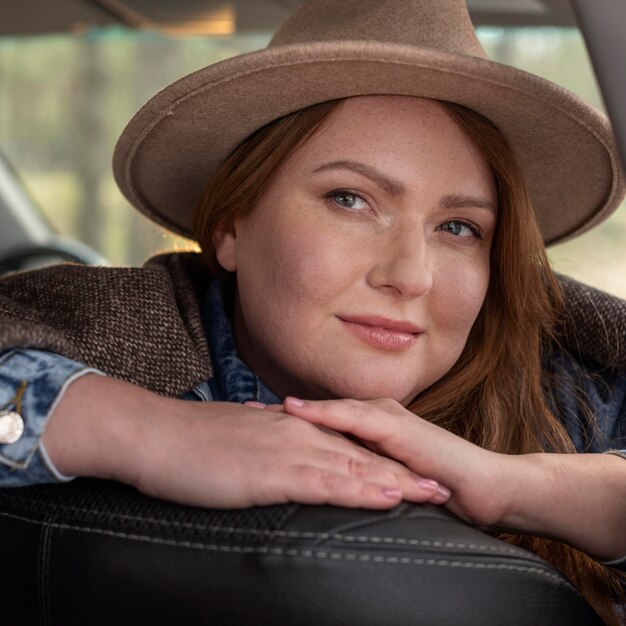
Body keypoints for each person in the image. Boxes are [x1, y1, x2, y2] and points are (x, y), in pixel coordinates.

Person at [0, 0, 624, 621]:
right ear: (230, 229)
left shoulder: (570, 390)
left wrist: (522, 487)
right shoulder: (122, 329)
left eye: (458, 226)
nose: (409, 275)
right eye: (349, 199)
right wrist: (144, 433)